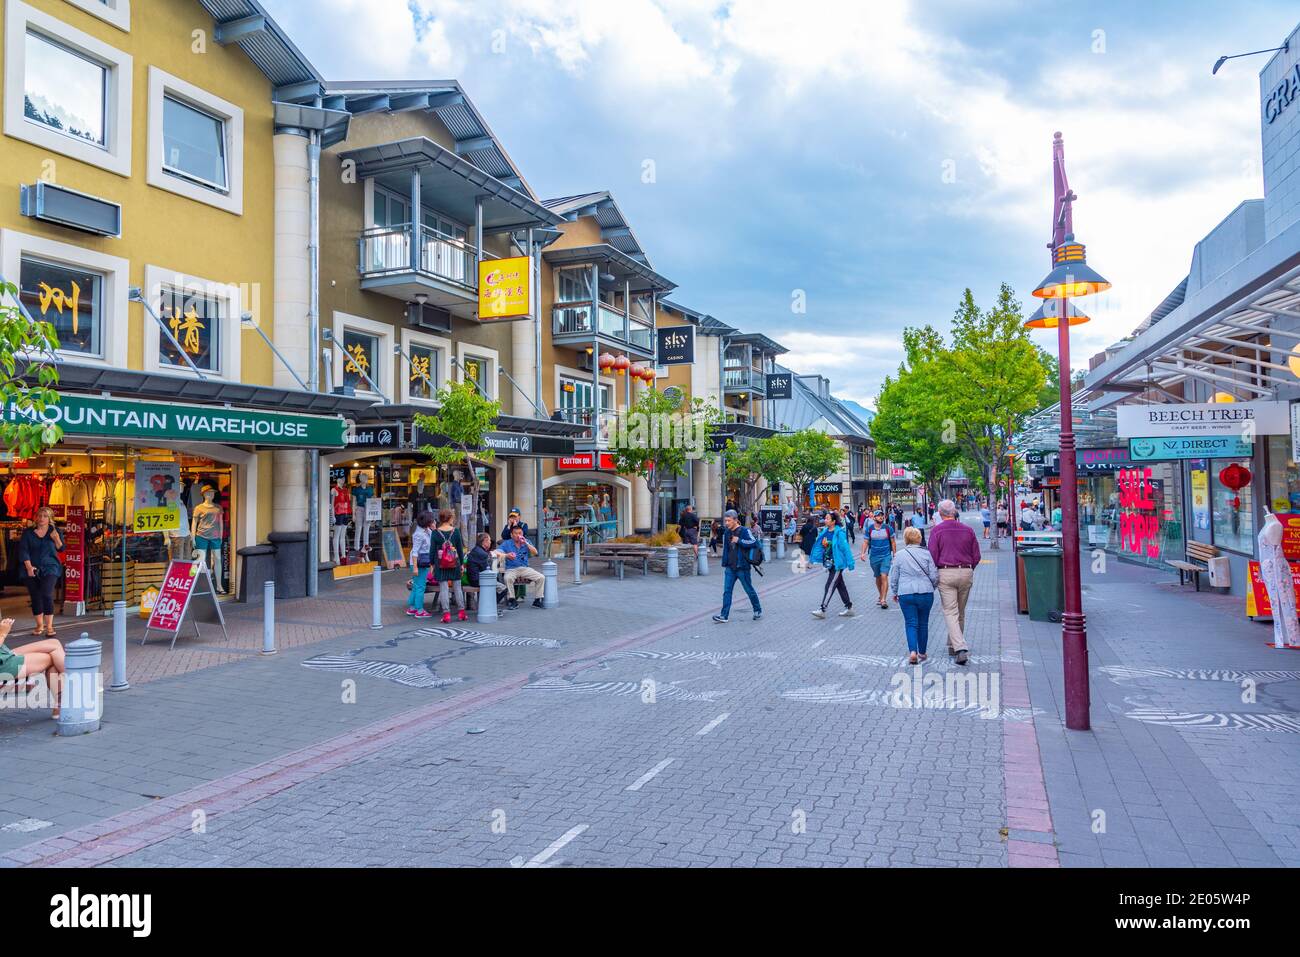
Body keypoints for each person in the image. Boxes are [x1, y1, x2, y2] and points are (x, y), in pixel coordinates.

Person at [927, 499, 979, 665]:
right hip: (966, 571)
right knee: (960, 611)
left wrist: (934, 575)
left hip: (946, 572)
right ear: (954, 512)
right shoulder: (968, 530)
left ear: (941, 514)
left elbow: (932, 556)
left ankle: (960, 647)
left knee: (950, 611)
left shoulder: (937, 531)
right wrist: (969, 569)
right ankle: (953, 645)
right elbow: (976, 555)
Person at [890, 527, 940, 665]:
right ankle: (922, 652)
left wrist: (894, 592)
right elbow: (934, 575)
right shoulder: (926, 554)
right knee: (923, 623)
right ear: (919, 538)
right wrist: (932, 587)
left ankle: (913, 652)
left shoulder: (899, 555)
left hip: (906, 592)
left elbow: (894, 576)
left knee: (911, 623)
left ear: (906, 539)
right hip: (925, 592)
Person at [0, 618, 65, 719]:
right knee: (53, 657)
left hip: (4, 655)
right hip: (4, 664)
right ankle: (70, 693)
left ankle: (62, 703)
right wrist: (3, 633)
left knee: (54, 643)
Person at [19, 506, 64, 638]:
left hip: (50, 567)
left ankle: (49, 626)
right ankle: (39, 625)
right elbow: (23, 550)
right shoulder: (28, 533)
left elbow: (61, 549)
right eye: (39, 516)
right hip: (31, 567)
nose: (41, 519)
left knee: (46, 593)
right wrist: (28, 567)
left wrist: (56, 538)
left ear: (50, 518)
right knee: (35, 595)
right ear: (36, 517)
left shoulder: (55, 531)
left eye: (45, 516)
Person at [713, 510, 762, 623]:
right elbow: (727, 549)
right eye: (725, 521)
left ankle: (757, 610)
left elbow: (755, 543)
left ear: (735, 520)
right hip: (730, 567)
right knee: (727, 591)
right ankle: (724, 615)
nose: (726, 523)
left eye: (729, 521)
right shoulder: (727, 532)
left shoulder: (744, 531)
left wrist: (739, 540)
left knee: (749, 590)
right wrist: (724, 563)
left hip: (742, 567)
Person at [810, 510, 855, 619]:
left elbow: (845, 548)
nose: (825, 520)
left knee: (829, 585)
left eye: (827, 518)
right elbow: (822, 546)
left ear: (833, 521)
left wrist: (850, 562)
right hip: (829, 563)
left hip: (837, 564)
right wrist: (824, 546)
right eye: (825, 518)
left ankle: (822, 609)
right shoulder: (825, 531)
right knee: (840, 585)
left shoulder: (839, 533)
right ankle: (849, 608)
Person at [431, 509, 466, 623]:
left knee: (444, 589)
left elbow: (432, 551)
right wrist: (461, 563)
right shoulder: (455, 532)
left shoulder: (435, 533)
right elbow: (460, 550)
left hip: (440, 564)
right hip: (454, 562)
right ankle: (461, 613)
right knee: (457, 588)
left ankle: (446, 614)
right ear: (450, 518)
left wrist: (432, 565)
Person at [499, 524, 545, 609]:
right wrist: (506, 555)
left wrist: (526, 543)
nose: (518, 535)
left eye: (519, 533)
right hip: (511, 569)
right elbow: (496, 552)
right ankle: (512, 600)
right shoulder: (506, 543)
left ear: (522, 533)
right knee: (507, 578)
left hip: (525, 568)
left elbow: (535, 553)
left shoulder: (526, 542)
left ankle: (538, 600)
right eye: (515, 533)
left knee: (541, 577)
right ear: (511, 535)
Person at [860, 510, 896, 609]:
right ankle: (881, 595)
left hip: (886, 556)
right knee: (878, 577)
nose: (881, 517)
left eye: (882, 515)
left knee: (884, 576)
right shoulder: (870, 529)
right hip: (874, 556)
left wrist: (894, 554)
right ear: (874, 518)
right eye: (878, 516)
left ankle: (883, 599)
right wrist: (862, 553)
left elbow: (893, 542)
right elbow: (866, 541)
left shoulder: (888, 528)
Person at [466, 532, 510, 610]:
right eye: (489, 540)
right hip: (478, 580)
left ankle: (489, 605)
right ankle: (490, 606)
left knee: (497, 583)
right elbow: (487, 571)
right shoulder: (482, 554)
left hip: (473, 578)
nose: (490, 542)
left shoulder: (476, 550)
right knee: (503, 588)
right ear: (485, 541)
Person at [406, 511, 435, 618]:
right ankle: (419, 610)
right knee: (420, 586)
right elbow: (415, 551)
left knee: (416, 585)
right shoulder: (419, 534)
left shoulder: (427, 531)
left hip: (422, 562)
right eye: (431, 520)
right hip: (419, 563)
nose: (433, 521)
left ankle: (412, 607)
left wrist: (433, 528)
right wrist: (415, 567)